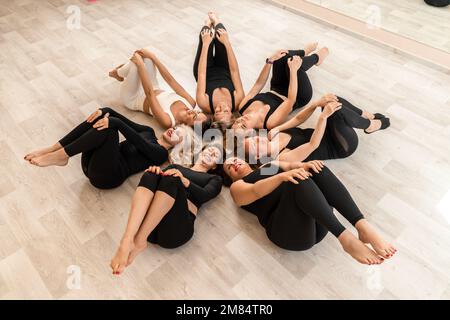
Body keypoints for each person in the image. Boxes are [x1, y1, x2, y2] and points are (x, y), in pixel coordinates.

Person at [223, 157, 397, 265]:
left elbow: (293, 165)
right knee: (295, 180)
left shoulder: (269, 165)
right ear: (230, 176)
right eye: (229, 166)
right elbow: (255, 191)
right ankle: (346, 239)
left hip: (319, 224)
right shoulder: (237, 186)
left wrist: (306, 165)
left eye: (235, 159)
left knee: (314, 169)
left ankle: (362, 226)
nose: (234, 163)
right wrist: (283, 176)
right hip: (288, 234)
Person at [110, 145, 223, 275]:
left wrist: (184, 180)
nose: (211, 153)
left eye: (215, 155)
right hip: (152, 229)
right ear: (201, 151)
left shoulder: (214, 179)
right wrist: (155, 172)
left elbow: (205, 195)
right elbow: (154, 183)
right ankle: (128, 239)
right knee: (151, 174)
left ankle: (139, 239)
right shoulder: (177, 167)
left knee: (172, 179)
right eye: (210, 149)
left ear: (215, 166)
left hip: (176, 231)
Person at [24, 107, 187, 189]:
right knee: (103, 117)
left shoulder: (160, 154)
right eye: (176, 127)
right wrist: (105, 110)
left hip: (108, 177)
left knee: (110, 130)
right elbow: (118, 117)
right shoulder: (148, 131)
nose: (174, 130)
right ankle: (53, 149)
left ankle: (61, 155)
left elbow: (135, 139)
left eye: (178, 134)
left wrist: (113, 121)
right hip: (91, 164)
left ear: (178, 145)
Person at [244, 95, 390, 162]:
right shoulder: (283, 157)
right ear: (257, 157)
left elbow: (298, 119)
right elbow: (313, 144)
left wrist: (316, 104)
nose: (257, 139)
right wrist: (323, 117)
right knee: (336, 112)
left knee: (332, 99)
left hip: (327, 132)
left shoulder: (272, 134)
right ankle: (372, 126)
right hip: (340, 146)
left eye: (252, 139)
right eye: (254, 146)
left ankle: (368, 116)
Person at [232, 44, 329, 131]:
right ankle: (316, 58)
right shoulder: (269, 122)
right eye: (243, 126)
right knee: (294, 65)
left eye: (237, 122)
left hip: (277, 87)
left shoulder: (243, 106)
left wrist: (270, 61)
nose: (241, 120)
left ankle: (303, 52)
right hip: (298, 94)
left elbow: (258, 85)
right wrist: (293, 71)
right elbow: (291, 100)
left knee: (280, 57)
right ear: (250, 132)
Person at [109, 49, 209, 128]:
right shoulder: (190, 102)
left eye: (194, 116)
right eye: (198, 112)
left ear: (189, 126)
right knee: (146, 57)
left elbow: (149, 94)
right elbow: (171, 81)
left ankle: (117, 73)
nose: (194, 111)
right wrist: (154, 57)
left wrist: (140, 65)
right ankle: (124, 71)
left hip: (134, 96)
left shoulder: (168, 121)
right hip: (153, 85)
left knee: (136, 65)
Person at [193, 12, 245, 126]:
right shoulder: (238, 99)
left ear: (212, 116)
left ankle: (207, 23)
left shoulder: (204, 103)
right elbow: (234, 71)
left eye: (217, 111)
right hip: (224, 68)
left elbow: (201, 74)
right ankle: (216, 21)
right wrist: (227, 42)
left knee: (205, 34)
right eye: (225, 110)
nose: (221, 107)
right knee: (221, 33)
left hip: (205, 70)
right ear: (232, 114)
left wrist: (206, 44)